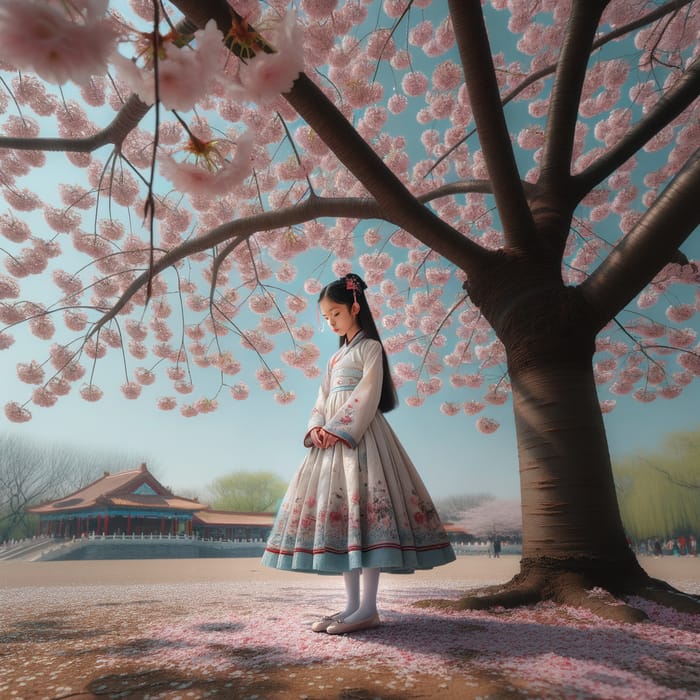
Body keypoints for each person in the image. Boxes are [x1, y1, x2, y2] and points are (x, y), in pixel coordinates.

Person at [261, 273, 456, 634]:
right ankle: (351, 606)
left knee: (365, 518)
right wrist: (317, 428)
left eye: (335, 313)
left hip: (360, 437)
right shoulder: (335, 360)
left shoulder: (371, 349)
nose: (331, 322)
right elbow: (321, 399)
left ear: (354, 307)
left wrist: (337, 429)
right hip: (330, 443)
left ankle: (369, 607)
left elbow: (366, 394)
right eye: (326, 318)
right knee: (345, 522)